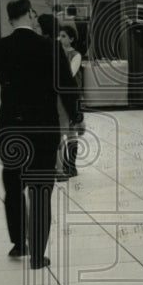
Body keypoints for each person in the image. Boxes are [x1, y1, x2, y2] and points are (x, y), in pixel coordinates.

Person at [0, 0, 81, 268]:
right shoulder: (50, 47)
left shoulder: (0, 47)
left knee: (14, 187)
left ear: (9, 20)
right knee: (41, 190)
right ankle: (39, 254)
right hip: (42, 127)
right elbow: (66, 86)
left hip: (10, 127)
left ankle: (19, 243)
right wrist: (76, 115)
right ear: (30, 15)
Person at [56, 25, 84, 179]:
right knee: (61, 130)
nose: (61, 38)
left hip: (72, 96)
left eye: (64, 36)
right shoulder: (57, 53)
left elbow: (71, 73)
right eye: (60, 35)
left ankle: (71, 165)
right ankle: (62, 164)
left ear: (72, 39)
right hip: (60, 97)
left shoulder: (75, 55)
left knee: (72, 131)